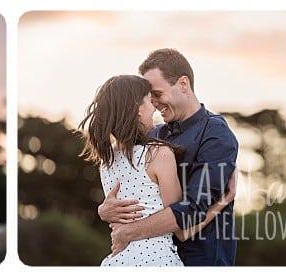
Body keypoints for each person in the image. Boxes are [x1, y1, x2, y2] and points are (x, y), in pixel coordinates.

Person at [98, 49, 239, 266]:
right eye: (149, 97)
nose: (153, 103)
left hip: (201, 261)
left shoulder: (216, 134)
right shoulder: (154, 136)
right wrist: (104, 210)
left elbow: (192, 209)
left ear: (183, 84)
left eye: (157, 93)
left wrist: (128, 232)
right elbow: (132, 188)